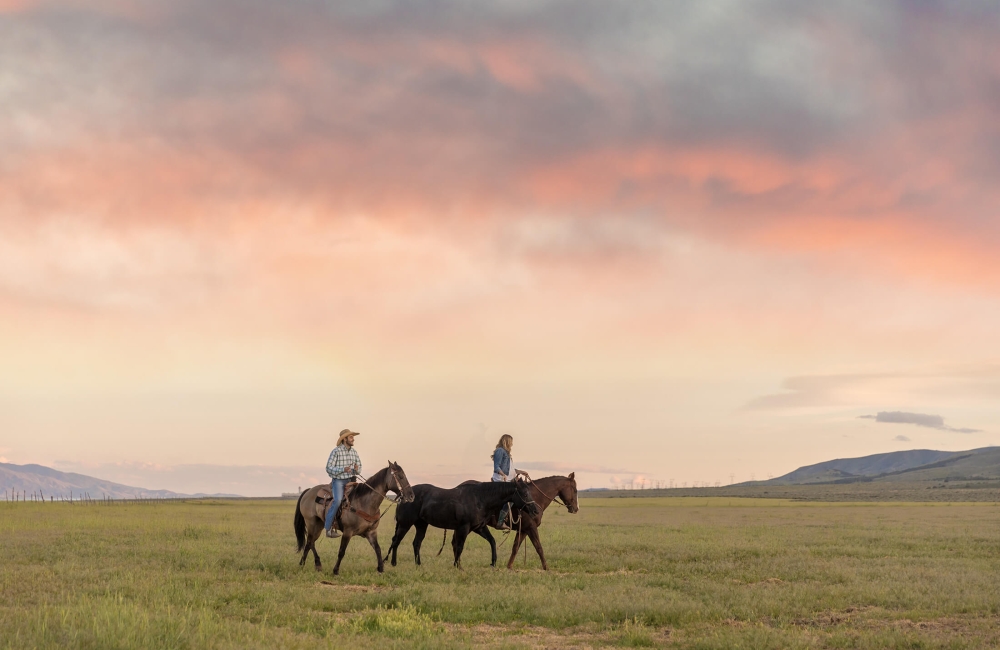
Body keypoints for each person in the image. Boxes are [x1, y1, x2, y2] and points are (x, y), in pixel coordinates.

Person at [325, 429, 363, 538]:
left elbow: (359, 467)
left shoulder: (354, 452)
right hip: (339, 481)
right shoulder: (336, 451)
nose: (353, 439)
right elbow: (328, 468)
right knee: (337, 501)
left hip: (351, 480)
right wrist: (342, 469)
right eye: (351, 437)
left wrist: (356, 469)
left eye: (352, 437)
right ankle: (328, 529)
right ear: (344, 439)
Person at [490, 434, 529, 529]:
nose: (512, 444)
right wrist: (503, 474)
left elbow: (510, 469)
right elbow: (497, 467)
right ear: (506, 441)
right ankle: (500, 522)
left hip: (508, 480)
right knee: (512, 498)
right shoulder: (500, 451)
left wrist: (520, 472)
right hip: (501, 480)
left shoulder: (507, 453)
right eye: (511, 442)